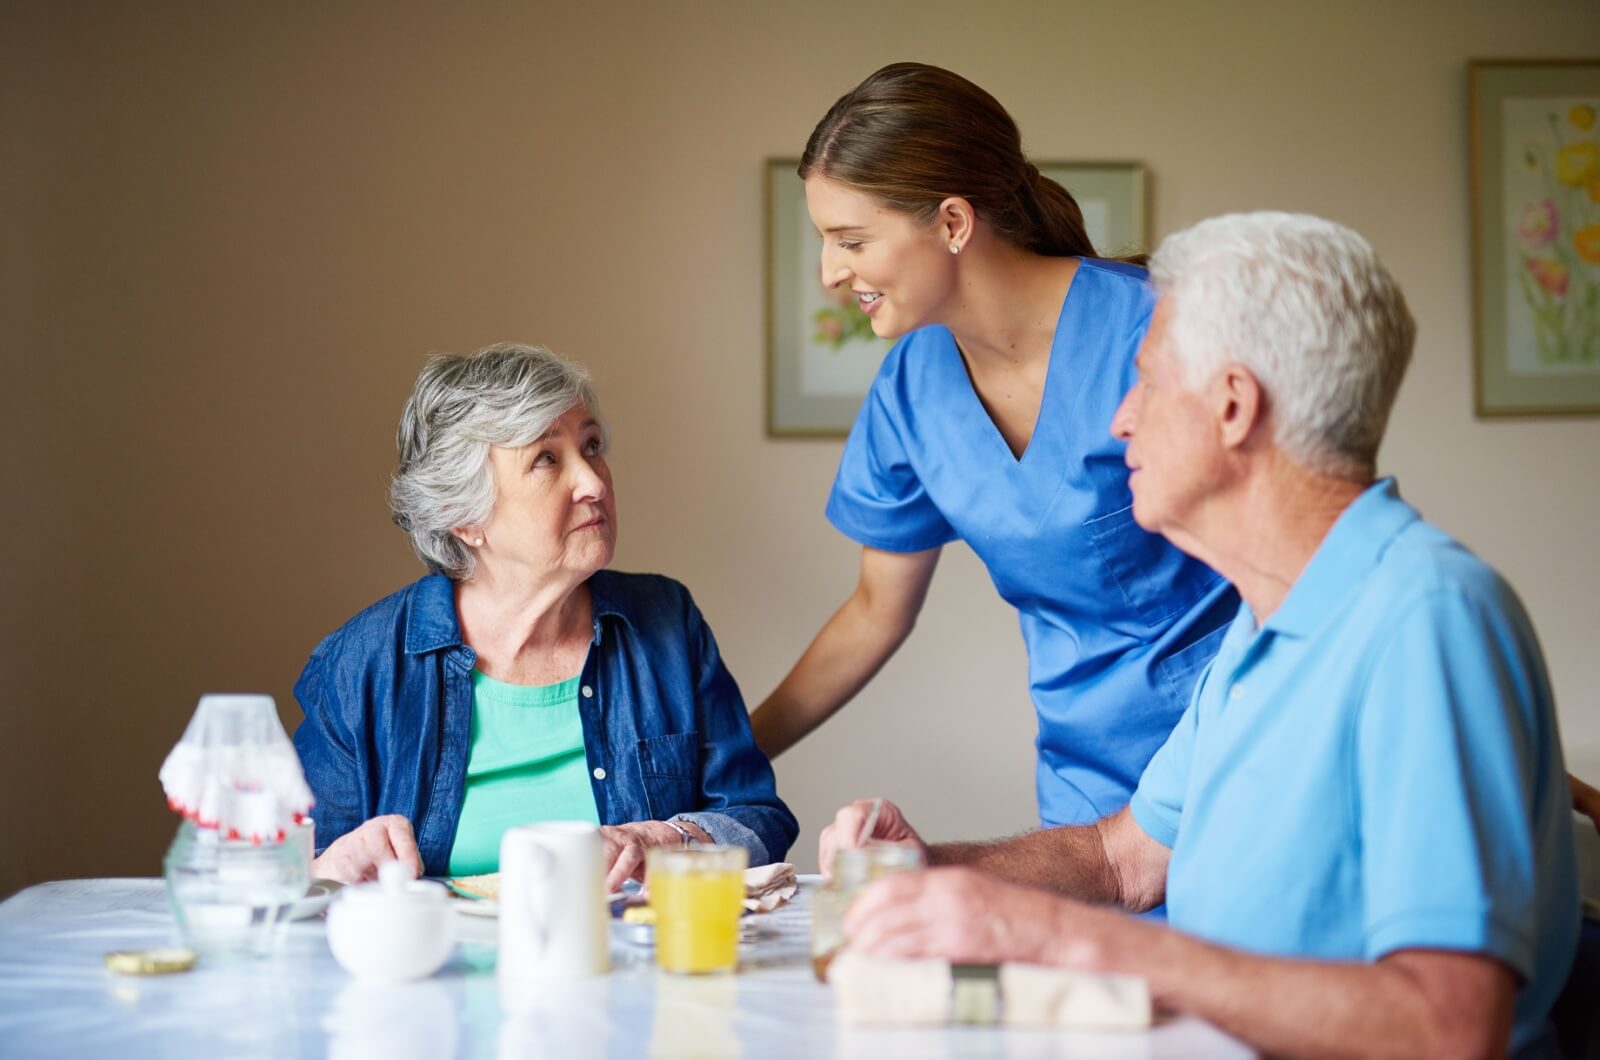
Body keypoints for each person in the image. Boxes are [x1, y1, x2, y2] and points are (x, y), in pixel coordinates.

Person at [824, 213, 1581, 1057]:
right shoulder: (1264, 626)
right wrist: (930, 868)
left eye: (1145, 382)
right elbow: (1123, 860)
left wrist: (1066, 938)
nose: (1118, 420)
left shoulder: (1425, 616)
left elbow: (1450, 1025)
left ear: (1232, 405)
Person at [751, 62, 1238, 830]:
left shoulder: (1157, 335)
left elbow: (1297, 556)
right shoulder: (912, 387)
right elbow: (876, 609)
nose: (830, 273)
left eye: (850, 241)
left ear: (951, 223)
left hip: (1240, 758)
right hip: (1087, 792)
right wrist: (732, 758)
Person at [294, 343, 798, 889]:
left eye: (592, 446)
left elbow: (759, 819)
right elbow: (294, 879)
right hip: (442, 968)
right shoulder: (359, 666)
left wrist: (666, 839)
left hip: (629, 963)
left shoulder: (667, 625)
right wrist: (328, 867)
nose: (594, 482)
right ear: (464, 516)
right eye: (547, 459)